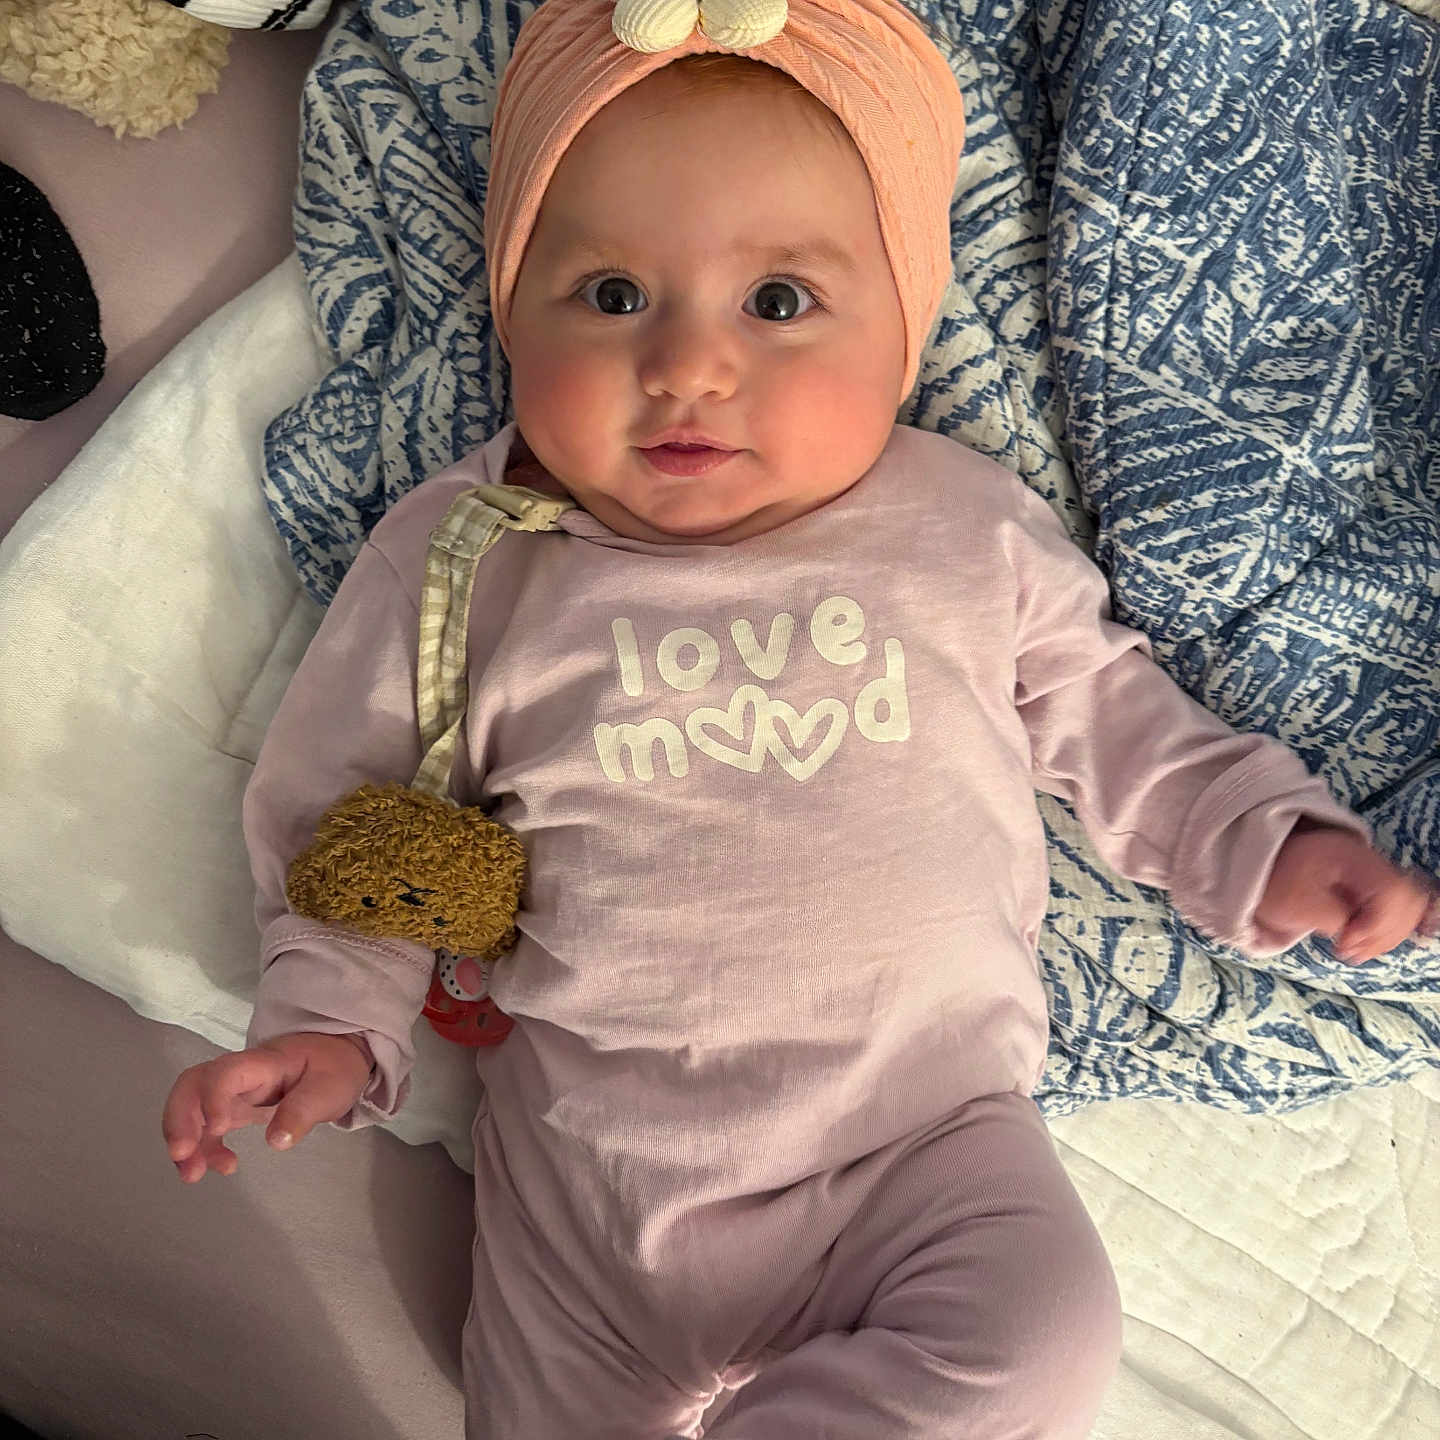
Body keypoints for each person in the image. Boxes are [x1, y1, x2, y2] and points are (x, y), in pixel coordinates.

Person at [161, 1, 1434, 1435]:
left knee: (1042, 1342)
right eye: (609, 296)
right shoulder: (470, 549)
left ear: (902, 330)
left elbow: (1113, 715)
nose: (689, 367)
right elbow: (356, 813)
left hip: (923, 1151)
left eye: (778, 304)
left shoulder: (958, 524)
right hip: (590, 1186)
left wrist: (1264, 846)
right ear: (509, 306)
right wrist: (329, 1026)